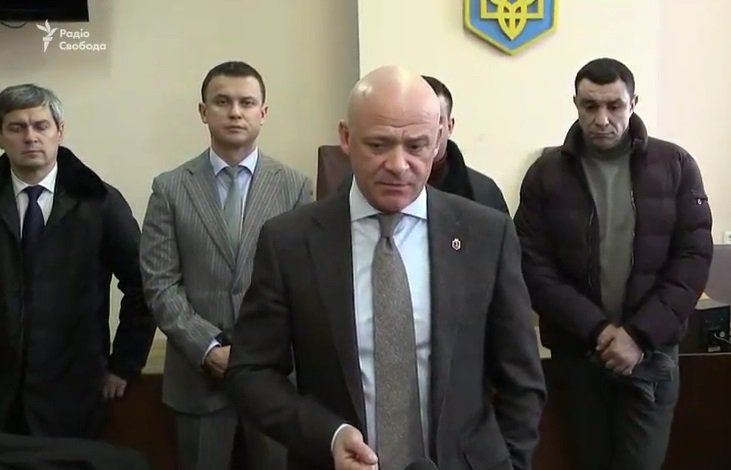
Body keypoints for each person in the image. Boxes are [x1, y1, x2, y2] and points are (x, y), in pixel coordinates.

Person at [225, 65, 546, 470]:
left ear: (439, 141)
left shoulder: (486, 235)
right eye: (379, 145)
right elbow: (251, 373)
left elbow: (522, 380)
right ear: (346, 138)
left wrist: (510, 464)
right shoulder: (290, 241)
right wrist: (329, 435)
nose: (398, 164)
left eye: (416, 146)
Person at [514, 57, 713, 470]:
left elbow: (692, 259)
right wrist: (599, 330)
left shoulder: (675, 165)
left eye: (614, 106)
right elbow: (532, 265)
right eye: (590, 106)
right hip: (578, 352)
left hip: (652, 353)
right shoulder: (546, 174)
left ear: (633, 103)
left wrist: (638, 336)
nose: (601, 119)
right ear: (575, 104)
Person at [139, 61, 313, 470]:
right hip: (198, 378)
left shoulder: (295, 187)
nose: (235, 112)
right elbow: (160, 284)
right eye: (222, 102)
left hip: (273, 376)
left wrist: (257, 352)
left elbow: (304, 285)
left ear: (263, 113)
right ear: (203, 111)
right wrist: (208, 347)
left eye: (246, 103)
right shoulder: (170, 188)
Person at [0, 84, 155, 438]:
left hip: (73, 392)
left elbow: (143, 283)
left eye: (41, 126)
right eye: (17, 127)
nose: (30, 137)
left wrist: (124, 363)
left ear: (60, 131)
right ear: (2, 136)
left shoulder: (98, 201)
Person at [421, 75, 509, 213]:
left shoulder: (485, 193)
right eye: (415, 119)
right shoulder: (385, 185)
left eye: (435, 120)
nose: (424, 130)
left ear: (450, 126)